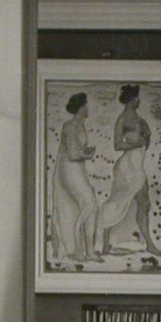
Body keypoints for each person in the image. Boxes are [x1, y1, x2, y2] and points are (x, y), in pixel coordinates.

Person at [95, 83, 161, 257]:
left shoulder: (140, 120)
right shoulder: (122, 119)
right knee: (117, 202)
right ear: (132, 99)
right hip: (126, 168)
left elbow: (145, 145)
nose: (139, 101)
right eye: (137, 98)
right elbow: (117, 145)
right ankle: (105, 242)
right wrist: (138, 142)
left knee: (144, 203)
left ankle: (149, 244)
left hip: (137, 166)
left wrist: (147, 137)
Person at [51, 91, 100, 263]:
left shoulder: (80, 125)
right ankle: (83, 250)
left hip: (78, 169)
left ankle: (88, 250)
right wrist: (86, 155)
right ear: (80, 108)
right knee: (89, 204)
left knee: (88, 206)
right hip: (69, 170)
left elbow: (77, 150)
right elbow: (72, 154)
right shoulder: (69, 126)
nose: (88, 108)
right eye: (85, 105)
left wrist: (85, 152)